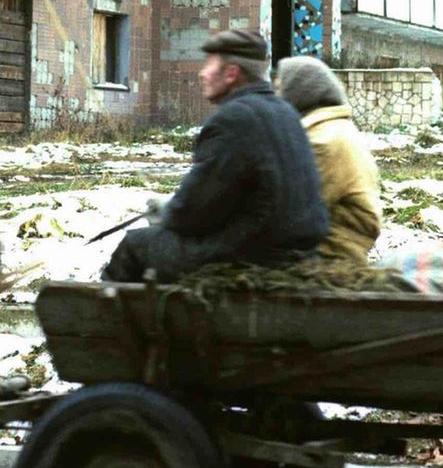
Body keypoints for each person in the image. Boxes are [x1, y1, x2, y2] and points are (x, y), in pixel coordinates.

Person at [102, 29, 329, 283]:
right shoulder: (286, 112)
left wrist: (168, 212)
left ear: (231, 73)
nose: (202, 73)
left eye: (209, 65)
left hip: (251, 258)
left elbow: (195, 211)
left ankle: (99, 318)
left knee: (136, 244)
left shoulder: (232, 119)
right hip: (300, 254)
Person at [275, 56, 382, 264]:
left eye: (280, 90)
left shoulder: (324, 141)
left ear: (299, 93)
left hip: (329, 254)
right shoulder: (332, 130)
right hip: (328, 249)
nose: (275, 98)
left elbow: (292, 212)